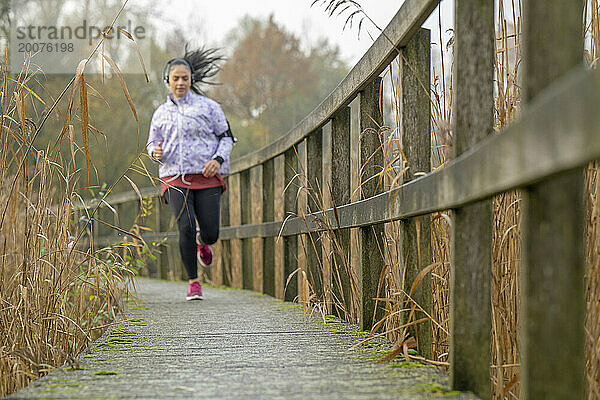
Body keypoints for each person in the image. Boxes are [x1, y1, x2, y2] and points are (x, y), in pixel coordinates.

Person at [146, 47, 235, 301]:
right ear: (168, 81)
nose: (181, 82)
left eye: (185, 78)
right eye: (176, 78)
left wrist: (217, 160)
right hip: (174, 176)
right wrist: (155, 152)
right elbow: (151, 143)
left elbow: (227, 138)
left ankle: (203, 242)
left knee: (211, 232)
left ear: (191, 80)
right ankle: (193, 282)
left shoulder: (209, 107)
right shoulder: (160, 113)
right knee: (184, 227)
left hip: (206, 177)